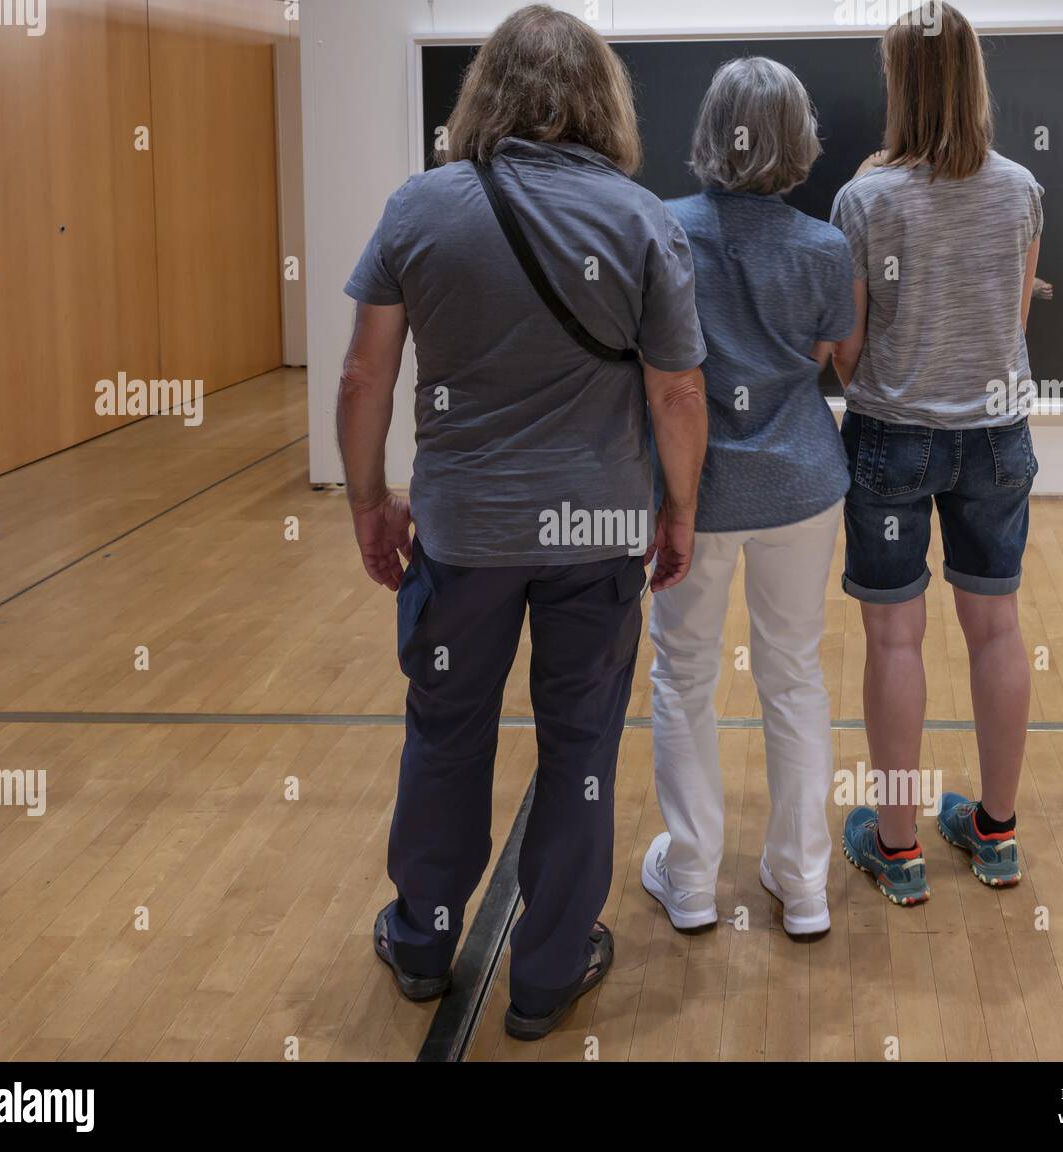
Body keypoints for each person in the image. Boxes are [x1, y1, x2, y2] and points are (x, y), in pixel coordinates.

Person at [337, 4, 708, 1039]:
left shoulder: (421, 206)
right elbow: (678, 395)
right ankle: (546, 974)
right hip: (595, 536)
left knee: (446, 736)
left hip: (461, 535)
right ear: (601, 98)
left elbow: (367, 372)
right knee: (580, 745)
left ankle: (422, 940)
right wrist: (675, 512)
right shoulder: (641, 220)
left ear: (483, 92)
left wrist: (368, 499)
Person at [831, 1, 1043, 905]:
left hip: (892, 439)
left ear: (901, 84)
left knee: (895, 637)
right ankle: (996, 834)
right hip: (997, 437)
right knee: (995, 629)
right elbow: (1015, 324)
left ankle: (901, 847)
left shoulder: (865, 201)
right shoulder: (1021, 189)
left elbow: (847, 348)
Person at [641, 58, 856, 938]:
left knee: (684, 675)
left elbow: (662, 375)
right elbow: (835, 357)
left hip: (694, 492)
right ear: (799, 142)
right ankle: (802, 883)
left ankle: (690, 879)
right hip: (802, 486)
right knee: (794, 676)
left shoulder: (662, 231)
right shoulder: (826, 248)